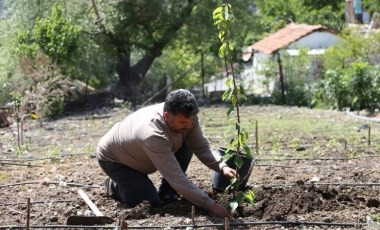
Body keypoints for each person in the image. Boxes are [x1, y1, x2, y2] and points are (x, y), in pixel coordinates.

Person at [96, 89, 237, 218]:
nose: (188, 125)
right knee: (148, 201)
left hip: (142, 154)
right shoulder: (152, 134)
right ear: (167, 116)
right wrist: (211, 205)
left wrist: (222, 166)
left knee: (187, 141)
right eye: (182, 122)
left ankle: (167, 193)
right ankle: (114, 186)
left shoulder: (188, 116)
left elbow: (201, 147)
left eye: (190, 121)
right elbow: (176, 177)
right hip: (116, 160)